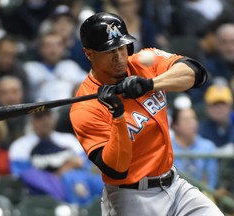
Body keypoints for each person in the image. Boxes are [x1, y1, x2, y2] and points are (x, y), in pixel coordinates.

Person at [69, 12, 224, 215]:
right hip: (131, 197)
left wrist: (150, 84)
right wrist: (117, 116)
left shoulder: (144, 62)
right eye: (109, 51)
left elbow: (196, 73)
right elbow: (116, 169)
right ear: (89, 53)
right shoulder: (85, 107)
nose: (119, 57)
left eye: (121, 47)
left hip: (175, 186)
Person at [170, 105, 219, 190]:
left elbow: (211, 180)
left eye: (194, 118)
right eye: (186, 120)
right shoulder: (167, 148)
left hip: (202, 195)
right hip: (174, 194)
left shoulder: (208, 146)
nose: (191, 123)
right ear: (175, 125)